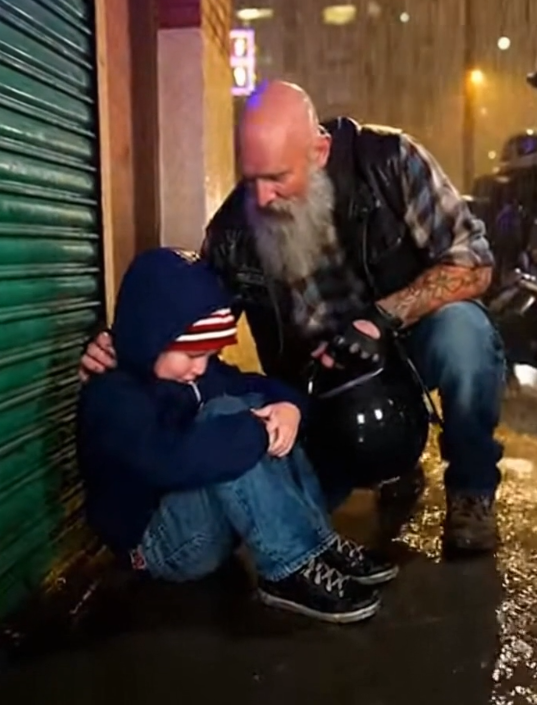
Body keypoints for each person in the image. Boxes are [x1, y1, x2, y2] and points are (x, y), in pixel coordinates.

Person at [80, 80, 506, 555]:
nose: (262, 197)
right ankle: (384, 467)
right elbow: (190, 312)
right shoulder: (232, 230)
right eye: (251, 179)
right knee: (298, 519)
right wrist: (126, 341)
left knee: (463, 331)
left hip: (403, 350)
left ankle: (471, 489)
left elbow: (473, 263)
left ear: (319, 152)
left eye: (278, 177)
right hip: (316, 390)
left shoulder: (390, 161)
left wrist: (381, 318)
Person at [77, 248, 398, 624]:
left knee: (258, 408)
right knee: (231, 418)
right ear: (150, 337)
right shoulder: (114, 396)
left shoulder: (197, 375)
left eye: (209, 355)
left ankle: (317, 542)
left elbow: (257, 386)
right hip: (161, 548)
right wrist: (252, 431)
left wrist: (288, 409)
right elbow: (167, 461)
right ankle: (287, 569)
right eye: (192, 354)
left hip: (204, 529)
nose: (201, 367)